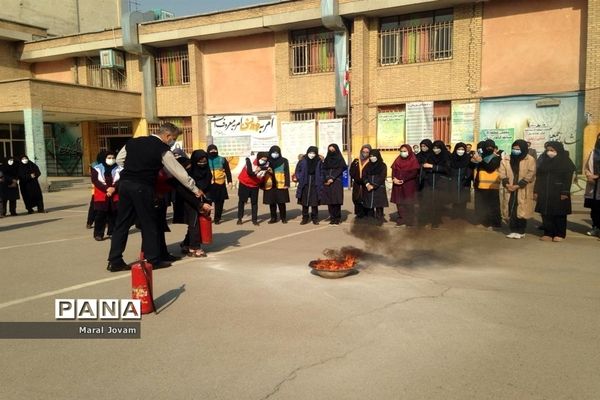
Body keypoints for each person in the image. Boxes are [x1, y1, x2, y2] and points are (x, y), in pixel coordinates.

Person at [107, 123, 209, 272]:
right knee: (149, 223)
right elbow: (178, 171)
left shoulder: (133, 142)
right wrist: (194, 188)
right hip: (142, 187)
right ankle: (153, 259)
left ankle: (114, 261)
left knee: (122, 223)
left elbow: (120, 160)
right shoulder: (162, 149)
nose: (172, 142)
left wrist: (133, 167)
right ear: (167, 136)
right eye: (173, 138)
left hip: (125, 185)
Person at [534, 141, 576, 242]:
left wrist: (565, 192)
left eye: (552, 150)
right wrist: (536, 191)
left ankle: (559, 233)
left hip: (559, 191)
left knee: (559, 213)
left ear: (558, 150)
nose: (549, 152)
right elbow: (539, 177)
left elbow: (568, 178)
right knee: (546, 213)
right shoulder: (544, 160)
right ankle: (548, 233)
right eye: (548, 150)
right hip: (545, 191)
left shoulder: (565, 161)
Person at [498, 140, 536, 239]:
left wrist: (518, 185)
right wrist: (507, 184)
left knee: (521, 210)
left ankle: (521, 231)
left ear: (523, 149)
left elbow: (531, 173)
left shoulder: (530, 159)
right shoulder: (506, 159)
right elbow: (502, 173)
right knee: (511, 209)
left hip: (522, 188)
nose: (515, 151)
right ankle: (513, 230)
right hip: (509, 188)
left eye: (518, 149)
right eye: (514, 149)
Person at [183, 150, 213, 257]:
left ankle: (186, 243)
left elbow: (208, 186)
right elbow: (185, 188)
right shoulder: (189, 172)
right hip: (190, 199)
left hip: (203, 199)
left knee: (196, 223)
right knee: (194, 223)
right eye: (200, 162)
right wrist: (197, 202)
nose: (202, 164)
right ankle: (194, 247)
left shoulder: (207, 171)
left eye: (204, 162)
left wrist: (207, 201)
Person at [90, 150, 122, 241]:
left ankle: (112, 232)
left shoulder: (119, 168)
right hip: (102, 194)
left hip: (115, 194)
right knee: (100, 215)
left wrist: (114, 188)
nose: (111, 159)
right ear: (104, 159)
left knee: (114, 214)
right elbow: (95, 181)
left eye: (113, 158)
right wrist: (107, 189)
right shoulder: (97, 168)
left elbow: (122, 180)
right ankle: (98, 234)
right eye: (109, 158)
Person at [419, 140, 451, 228]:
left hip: (440, 183)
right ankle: (425, 220)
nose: (435, 150)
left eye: (437, 148)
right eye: (434, 148)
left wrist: (433, 167)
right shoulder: (430, 156)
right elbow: (424, 167)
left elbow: (447, 169)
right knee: (427, 202)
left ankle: (435, 221)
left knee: (437, 203)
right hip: (429, 182)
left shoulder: (446, 156)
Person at [472, 139, 502, 229]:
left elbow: (490, 168)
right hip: (480, 185)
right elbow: (474, 168)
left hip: (492, 186)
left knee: (493, 206)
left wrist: (480, 161)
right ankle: (484, 222)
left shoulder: (496, 157)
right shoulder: (480, 156)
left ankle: (496, 224)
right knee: (481, 205)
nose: (489, 148)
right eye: (487, 147)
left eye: (491, 147)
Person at [390, 144, 420, 226]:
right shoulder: (398, 160)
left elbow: (414, 173)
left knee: (409, 202)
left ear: (409, 151)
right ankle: (402, 218)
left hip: (409, 185)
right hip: (397, 184)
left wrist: (404, 179)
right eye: (401, 151)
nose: (403, 153)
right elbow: (394, 170)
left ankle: (410, 219)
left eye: (405, 151)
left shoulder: (413, 160)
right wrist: (394, 179)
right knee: (399, 202)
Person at [237, 152, 270, 226]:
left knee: (254, 203)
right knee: (242, 201)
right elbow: (250, 173)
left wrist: (262, 168)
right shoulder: (250, 160)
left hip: (255, 185)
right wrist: (260, 169)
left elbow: (266, 171)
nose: (263, 161)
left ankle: (254, 220)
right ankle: (239, 218)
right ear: (258, 158)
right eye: (262, 160)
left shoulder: (267, 164)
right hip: (244, 182)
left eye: (265, 160)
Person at [321, 143, 347, 225]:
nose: (331, 151)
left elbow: (341, 168)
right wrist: (327, 178)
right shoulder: (327, 159)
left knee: (336, 201)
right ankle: (332, 217)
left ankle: (337, 218)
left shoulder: (340, 159)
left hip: (336, 181)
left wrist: (332, 177)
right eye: (330, 150)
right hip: (328, 181)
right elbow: (324, 169)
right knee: (330, 201)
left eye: (333, 150)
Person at [295, 146, 322, 225]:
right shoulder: (303, 161)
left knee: (314, 203)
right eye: (310, 153)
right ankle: (305, 218)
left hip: (315, 183)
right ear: (307, 152)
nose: (312, 154)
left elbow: (322, 171)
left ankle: (315, 218)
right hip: (304, 184)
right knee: (305, 203)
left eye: (314, 153)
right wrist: (299, 177)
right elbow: (297, 170)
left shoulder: (319, 161)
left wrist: (320, 179)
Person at [263, 145, 290, 224]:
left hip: (281, 185)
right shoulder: (267, 161)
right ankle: (273, 218)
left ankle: (283, 218)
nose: (275, 154)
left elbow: (287, 172)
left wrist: (287, 183)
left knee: (281, 202)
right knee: (272, 203)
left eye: (277, 152)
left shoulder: (284, 160)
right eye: (273, 152)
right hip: (270, 184)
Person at [361, 149, 388, 223]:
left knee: (379, 205)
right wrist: (367, 184)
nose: (372, 157)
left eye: (373, 156)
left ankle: (379, 220)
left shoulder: (382, 165)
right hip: (368, 188)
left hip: (378, 188)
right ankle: (371, 221)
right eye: (370, 156)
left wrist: (374, 185)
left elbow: (382, 176)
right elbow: (364, 175)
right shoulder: (367, 166)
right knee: (369, 206)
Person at [207, 144, 232, 224]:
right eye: (211, 150)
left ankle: (217, 218)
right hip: (209, 184)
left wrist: (230, 181)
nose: (213, 152)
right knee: (208, 202)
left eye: (215, 150)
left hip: (220, 184)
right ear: (208, 151)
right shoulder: (205, 159)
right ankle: (207, 218)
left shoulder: (222, 159)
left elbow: (227, 171)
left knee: (219, 202)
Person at [449, 142, 473, 220]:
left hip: (464, 182)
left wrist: (467, 176)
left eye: (462, 149)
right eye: (459, 149)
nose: (460, 151)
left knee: (463, 199)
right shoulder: (451, 158)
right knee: (454, 198)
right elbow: (448, 169)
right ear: (455, 149)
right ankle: (455, 214)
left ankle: (462, 214)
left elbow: (471, 168)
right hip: (454, 181)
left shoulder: (468, 158)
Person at [584, 133, 600, 237]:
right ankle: (595, 227)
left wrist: (598, 176)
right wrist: (589, 175)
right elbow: (586, 167)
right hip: (593, 186)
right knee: (595, 209)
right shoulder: (593, 152)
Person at [349, 144, 372, 218]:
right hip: (357, 183)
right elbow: (351, 171)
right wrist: (355, 177)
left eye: (367, 152)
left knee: (366, 198)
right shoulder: (356, 160)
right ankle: (359, 213)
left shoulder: (371, 160)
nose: (365, 153)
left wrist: (366, 181)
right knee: (357, 198)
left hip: (366, 183)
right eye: (363, 151)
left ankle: (367, 213)